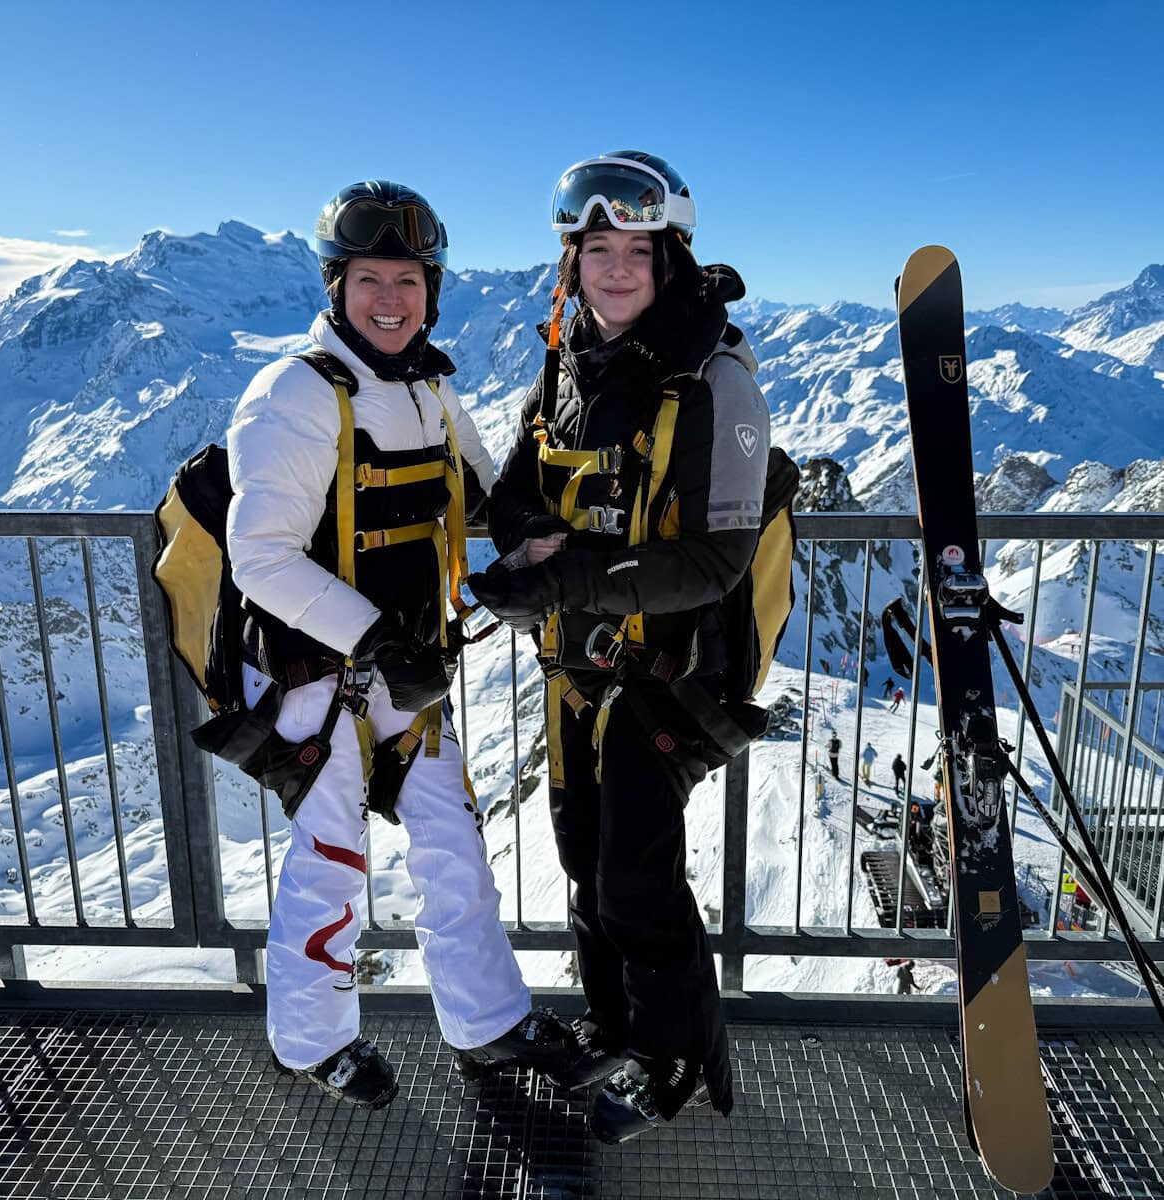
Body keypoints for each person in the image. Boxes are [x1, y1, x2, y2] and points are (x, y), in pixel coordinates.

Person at [468, 151, 798, 1143]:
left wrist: (562, 579)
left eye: (635, 251)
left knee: (634, 878)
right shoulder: (566, 358)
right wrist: (517, 537)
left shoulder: (711, 379)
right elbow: (518, 485)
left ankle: (670, 1061)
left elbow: (712, 561)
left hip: (671, 674)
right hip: (576, 667)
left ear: (670, 257)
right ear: (571, 262)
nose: (614, 269)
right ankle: (614, 1027)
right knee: (582, 859)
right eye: (594, 248)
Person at [225, 179, 574, 1106]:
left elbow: (484, 486)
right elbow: (258, 559)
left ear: (433, 289)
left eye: (410, 280)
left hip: (409, 670)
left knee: (450, 845)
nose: (391, 299)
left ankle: (487, 1024)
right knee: (332, 858)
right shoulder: (292, 395)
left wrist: (530, 546)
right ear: (336, 286)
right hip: (323, 675)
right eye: (371, 278)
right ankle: (309, 1041)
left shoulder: (426, 384)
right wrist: (378, 638)